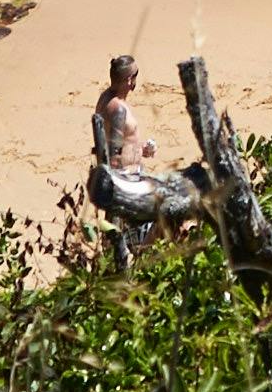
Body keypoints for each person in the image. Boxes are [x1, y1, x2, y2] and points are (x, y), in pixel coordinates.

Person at [86, 51, 203, 252]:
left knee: (119, 232)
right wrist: (140, 154)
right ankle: (144, 255)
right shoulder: (119, 109)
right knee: (166, 211)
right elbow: (115, 157)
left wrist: (140, 149)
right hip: (127, 180)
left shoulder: (105, 98)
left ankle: (129, 253)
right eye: (136, 75)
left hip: (123, 178)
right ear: (130, 80)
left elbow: (114, 145)